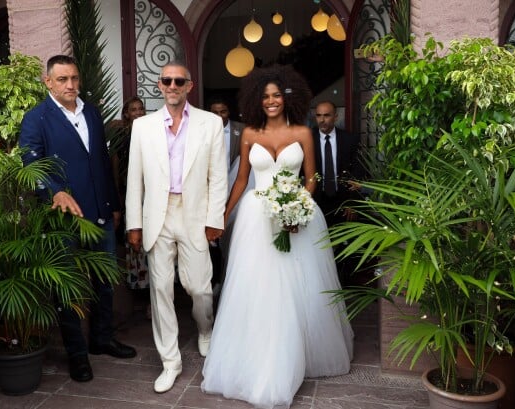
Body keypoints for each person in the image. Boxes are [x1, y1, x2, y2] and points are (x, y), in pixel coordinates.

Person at [201, 65, 354, 409]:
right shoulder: (250, 135)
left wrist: (297, 206)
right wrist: (222, 218)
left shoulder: (303, 132)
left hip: (296, 218)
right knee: (258, 286)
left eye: (276, 96)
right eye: (265, 96)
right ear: (258, 99)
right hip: (256, 220)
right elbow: (241, 181)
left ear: (287, 99)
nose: (271, 101)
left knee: (298, 287)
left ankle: (297, 355)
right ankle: (258, 355)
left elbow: (312, 178)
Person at [19, 55, 136, 384]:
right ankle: (77, 354)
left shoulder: (93, 113)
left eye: (74, 78)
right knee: (68, 290)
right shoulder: (36, 118)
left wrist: (112, 203)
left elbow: (101, 160)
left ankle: (101, 339)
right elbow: (30, 165)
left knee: (104, 281)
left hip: (100, 211)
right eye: (62, 80)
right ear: (48, 82)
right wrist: (54, 191)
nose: (70, 85)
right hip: (64, 219)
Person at [125, 61, 228, 394]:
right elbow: (134, 180)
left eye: (178, 80)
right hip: (158, 214)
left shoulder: (210, 123)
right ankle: (170, 362)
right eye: (166, 80)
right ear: (159, 85)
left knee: (199, 287)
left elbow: (218, 176)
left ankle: (205, 329)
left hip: (194, 212)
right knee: (161, 289)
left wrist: (215, 219)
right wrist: (134, 224)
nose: (172, 85)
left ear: (189, 86)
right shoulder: (142, 126)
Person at [312, 101, 365, 279]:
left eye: (326, 115)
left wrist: (353, 203)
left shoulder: (350, 139)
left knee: (345, 247)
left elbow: (358, 173)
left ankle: (344, 286)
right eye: (319, 115)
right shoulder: (308, 140)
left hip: (343, 202)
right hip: (316, 203)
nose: (322, 120)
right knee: (317, 246)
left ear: (336, 117)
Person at [109, 97, 151, 318]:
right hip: (128, 192)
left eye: (140, 108)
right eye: (133, 109)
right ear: (126, 113)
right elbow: (115, 163)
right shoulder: (119, 134)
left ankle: (152, 295)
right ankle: (137, 291)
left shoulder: (151, 131)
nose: (137, 112)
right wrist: (117, 192)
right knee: (134, 241)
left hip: (151, 192)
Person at [207, 98, 245, 296]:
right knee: (212, 238)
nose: (219, 116)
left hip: (238, 187)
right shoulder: (203, 130)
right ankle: (215, 279)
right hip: (210, 190)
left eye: (222, 111)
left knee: (234, 233)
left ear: (228, 112)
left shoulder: (243, 129)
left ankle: (229, 279)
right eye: (215, 112)